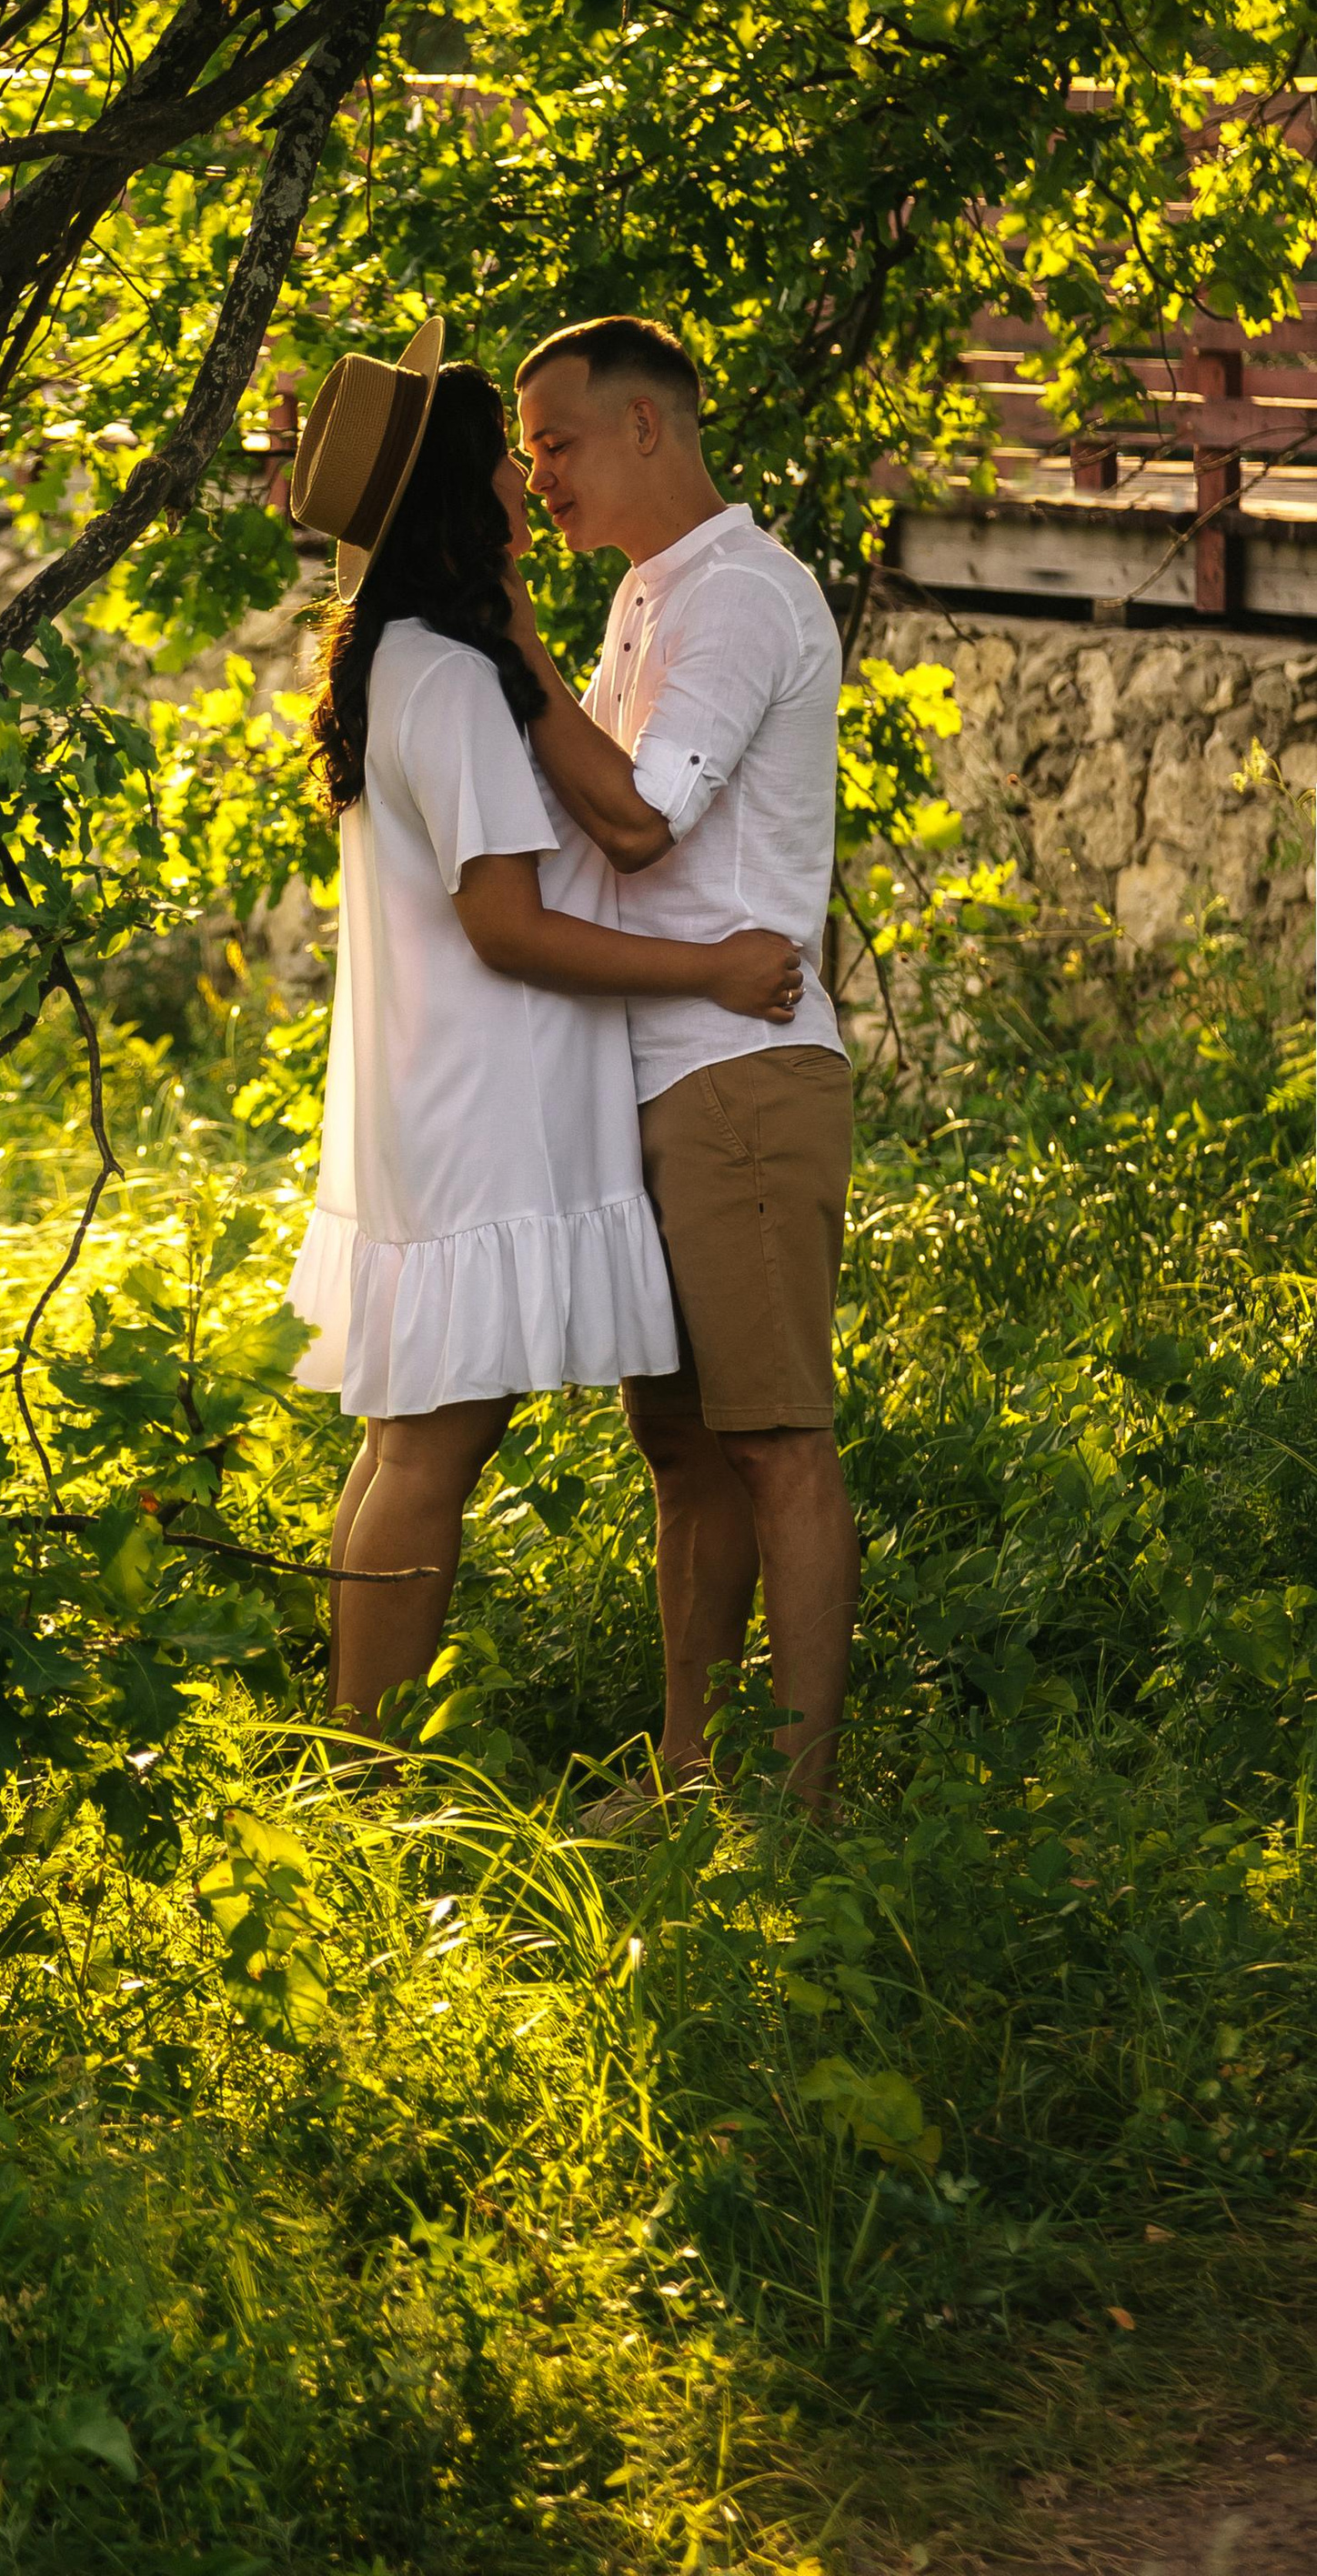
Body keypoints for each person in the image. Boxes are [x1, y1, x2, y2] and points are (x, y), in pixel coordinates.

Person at [282, 316, 806, 1752]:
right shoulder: (443, 681)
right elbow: (504, 926)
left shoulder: (424, 659)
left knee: (419, 1435)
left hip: (451, 1096)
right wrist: (706, 968)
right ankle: (365, 1776)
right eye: (507, 462)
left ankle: (350, 1767)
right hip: (475, 1103)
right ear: (464, 497)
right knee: (436, 1441)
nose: (530, 481)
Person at [508, 314, 857, 1818]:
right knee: (682, 1448)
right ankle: (693, 1778)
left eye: (558, 446)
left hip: (743, 1071)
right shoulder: (653, 596)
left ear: (648, 425)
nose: (540, 482)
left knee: (775, 1435)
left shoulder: (735, 596)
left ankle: (793, 1813)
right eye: (525, 459)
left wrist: (504, 632)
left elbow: (641, 820)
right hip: (657, 1070)